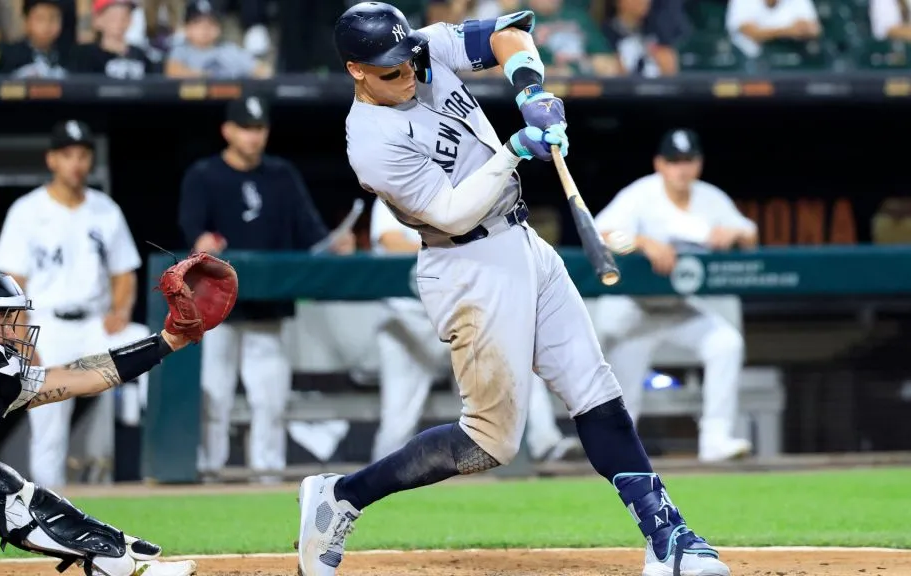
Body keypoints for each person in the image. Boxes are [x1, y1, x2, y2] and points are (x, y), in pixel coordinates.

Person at [295, 4, 730, 576]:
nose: (406, 73)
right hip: (466, 265)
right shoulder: (370, 142)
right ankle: (341, 496)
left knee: (594, 388)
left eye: (407, 60)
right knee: (490, 442)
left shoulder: (423, 48)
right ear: (356, 70)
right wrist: (517, 148)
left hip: (520, 239)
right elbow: (450, 214)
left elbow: (508, 33)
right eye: (389, 70)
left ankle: (666, 535)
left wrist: (529, 88)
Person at [0, 265, 204, 576]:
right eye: (2, 318)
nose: (15, 332)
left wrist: (168, 341)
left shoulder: (1, 384)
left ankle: (126, 565)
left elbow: (85, 376)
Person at [179, 94, 355, 483]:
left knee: (269, 398)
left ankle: (267, 476)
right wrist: (202, 243)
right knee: (214, 396)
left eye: (259, 129)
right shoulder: (204, 174)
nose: (253, 137)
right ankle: (210, 471)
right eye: (246, 128)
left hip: (268, 309)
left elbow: (309, 232)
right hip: (216, 311)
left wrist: (334, 242)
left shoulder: (281, 175)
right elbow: (193, 233)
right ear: (228, 131)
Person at [0, 119, 145, 488]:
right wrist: (22, 341)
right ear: (52, 160)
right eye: (68, 155)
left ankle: (146, 460)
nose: (76, 163)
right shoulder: (27, 211)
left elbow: (125, 273)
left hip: (95, 324)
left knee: (153, 350)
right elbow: (10, 283)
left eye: (83, 155)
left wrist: (121, 311)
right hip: (46, 326)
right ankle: (50, 505)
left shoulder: (105, 210)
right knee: (49, 423)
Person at [368, 198, 583, 463]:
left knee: (519, 358)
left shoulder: (467, 189)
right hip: (408, 324)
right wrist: (453, 247)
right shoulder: (398, 186)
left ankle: (546, 443)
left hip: (462, 314)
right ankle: (378, 479)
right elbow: (390, 241)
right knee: (398, 420)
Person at [591, 128, 757, 463]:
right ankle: (619, 457)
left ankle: (715, 439)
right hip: (634, 313)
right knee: (625, 398)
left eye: (688, 160)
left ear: (699, 164)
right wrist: (643, 242)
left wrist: (735, 233)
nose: (681, 168)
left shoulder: (710, 198)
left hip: (680, 309)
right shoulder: (641, 194)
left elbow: (750, 235)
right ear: (660, 164)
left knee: (726, 343)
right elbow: (600, 232)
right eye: (674, 161)